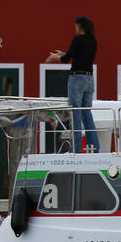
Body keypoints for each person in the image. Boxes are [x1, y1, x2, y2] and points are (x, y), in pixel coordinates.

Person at [48, 16, 99, 153]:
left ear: (79, 26)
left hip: (77, 78)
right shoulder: (93, 41)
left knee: (75, 113)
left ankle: (76, 148)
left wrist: (54, 57)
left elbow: (66, 59)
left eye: (75, 26)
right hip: (89, 79)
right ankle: (94, 146)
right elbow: (79, 56)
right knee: (87, 113)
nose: (74, 29)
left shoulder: (77, 39)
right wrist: (64, 54)